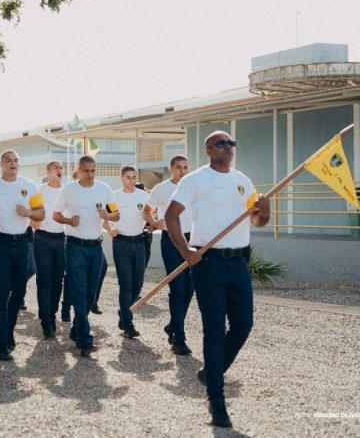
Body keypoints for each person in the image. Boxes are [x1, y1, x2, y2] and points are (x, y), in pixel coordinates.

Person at [165, 131, 269, 428]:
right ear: (209, 150)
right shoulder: (195, 180)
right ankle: (216, 401)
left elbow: (257, 220)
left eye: (232, 143)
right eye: (223, 144)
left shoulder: (242, 180)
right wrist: (185, 250)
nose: (229, 148)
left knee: (243, 324)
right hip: (207, 263)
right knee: (214, 329)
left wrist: (266, 211)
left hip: (238, 261)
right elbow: (172, 216)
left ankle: (212, 371)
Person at [0, 150, 45, 361]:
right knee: (3, 291)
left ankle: (8, 329)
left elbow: (41, 212)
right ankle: (2, 341)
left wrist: (29, 213)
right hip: (0, 243)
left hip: (22, 242)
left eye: (15, 160)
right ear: (1, 164)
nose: (12, 163)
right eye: (8, 160)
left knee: (19, 292)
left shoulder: (29, 185)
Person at [53, 155, 119, 357]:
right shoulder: (68, 190)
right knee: (80, 291)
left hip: (96, 247)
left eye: (93, 171)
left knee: (91, 294)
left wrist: (108, 216)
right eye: (86, 171)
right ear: (78, 170)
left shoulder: (104, 189)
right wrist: (68, 220)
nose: (90, 175)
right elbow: (55, 215)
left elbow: (116, 215)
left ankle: (76, 328)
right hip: (74, 247)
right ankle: (85, 339)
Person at [143, 155, 193, 356]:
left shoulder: (192, 187)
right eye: (179, 167)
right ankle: (178, 339)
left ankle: (173, 325)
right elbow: (147, 211)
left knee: (190, 289)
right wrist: (155, 223)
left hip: (192, 240)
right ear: (171, 169)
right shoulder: (161, 188)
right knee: (178, 287)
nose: (183, 171)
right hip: (171, 240)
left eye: (185, 167)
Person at [105, 166, 149, 339]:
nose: (131, 181)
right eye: (128, 177)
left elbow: (149, 216)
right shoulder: (114, 196)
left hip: (139, 243)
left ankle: (123, 312)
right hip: (121, 243)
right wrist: (110, 229)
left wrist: (153, 224)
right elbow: (106, 219)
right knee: (126, 284)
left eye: (133, 177)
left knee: (137, 285)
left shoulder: (144, 196)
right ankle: (128, 324)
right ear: (122, 178)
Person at [32, 160, 66, 339]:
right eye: (56, 168)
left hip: (61, 239)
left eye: (61, 168)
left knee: (58, 280)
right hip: (43, 239)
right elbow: (31, 210)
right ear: (48, 172)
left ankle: (52, 314)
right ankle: (46, 321)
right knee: (44, 280)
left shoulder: (67, 190)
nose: (59, 170)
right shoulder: (39, 190)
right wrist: (33, 222)